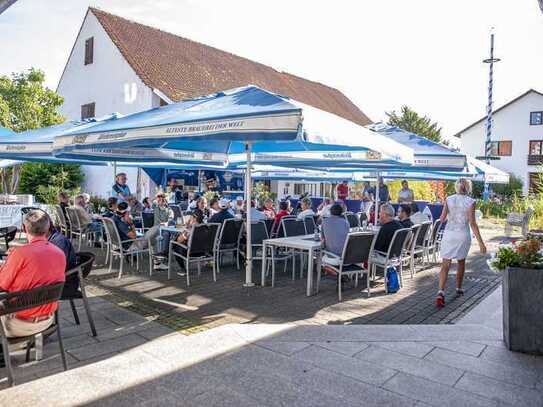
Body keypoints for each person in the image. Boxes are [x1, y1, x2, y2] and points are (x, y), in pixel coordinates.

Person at [0, 210, 65, 343]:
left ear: (24, 228)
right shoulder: (59, 253)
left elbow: (2, 284)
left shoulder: (20, 254)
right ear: (48, 228)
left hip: (16, 324)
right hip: (48, 320)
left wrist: (7, 263)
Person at [436, 178, 486, 307]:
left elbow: (441, 218)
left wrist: (432, 232)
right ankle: (458, 288)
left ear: (457, 187)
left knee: (445, 264)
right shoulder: (471, 202)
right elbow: (473, 223)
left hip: (449, 234)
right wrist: (481, 243)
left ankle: (440, 292)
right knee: (461, 262)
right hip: (462, 235)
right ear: (468, 188)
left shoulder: (449, 199)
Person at [47, 217, 78, 297]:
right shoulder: (47, 240)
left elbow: (55, 271)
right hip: (55, 283)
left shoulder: (59, 242)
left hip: (64, 285)